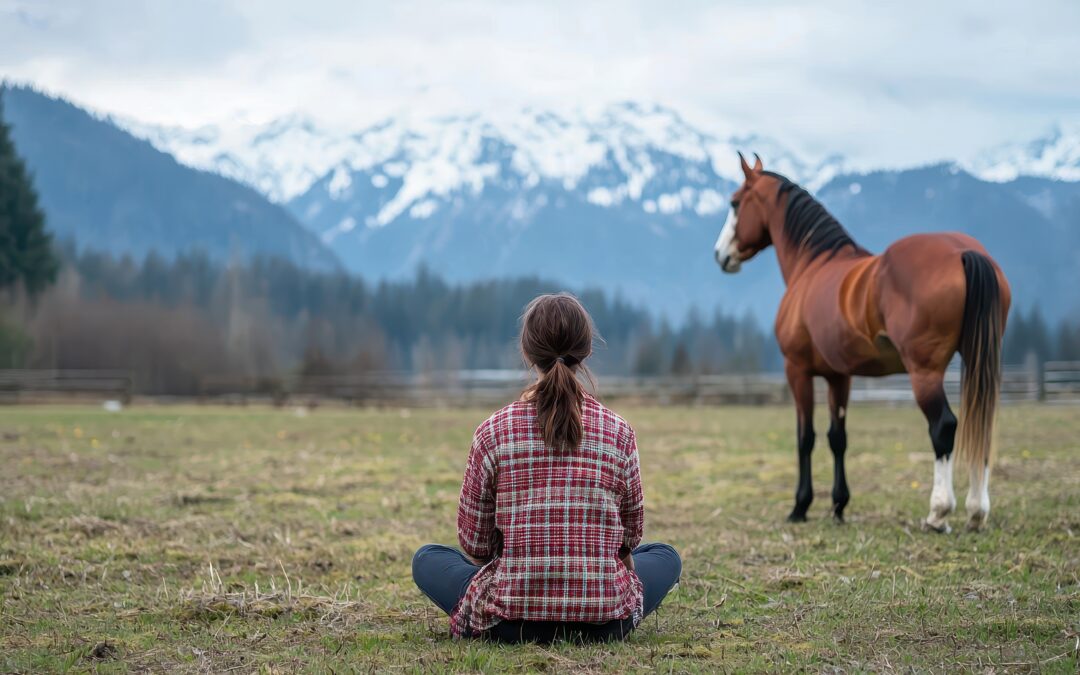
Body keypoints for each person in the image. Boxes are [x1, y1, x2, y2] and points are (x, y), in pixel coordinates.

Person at [412, 293, 682, 643]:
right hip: (604, 623)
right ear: (585, 352)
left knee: (427, 558)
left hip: (509, 623)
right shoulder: (619, 432)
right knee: (665, 556)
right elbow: (630, 538)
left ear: (527, 352)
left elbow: (475, 544)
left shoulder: (492, 432)